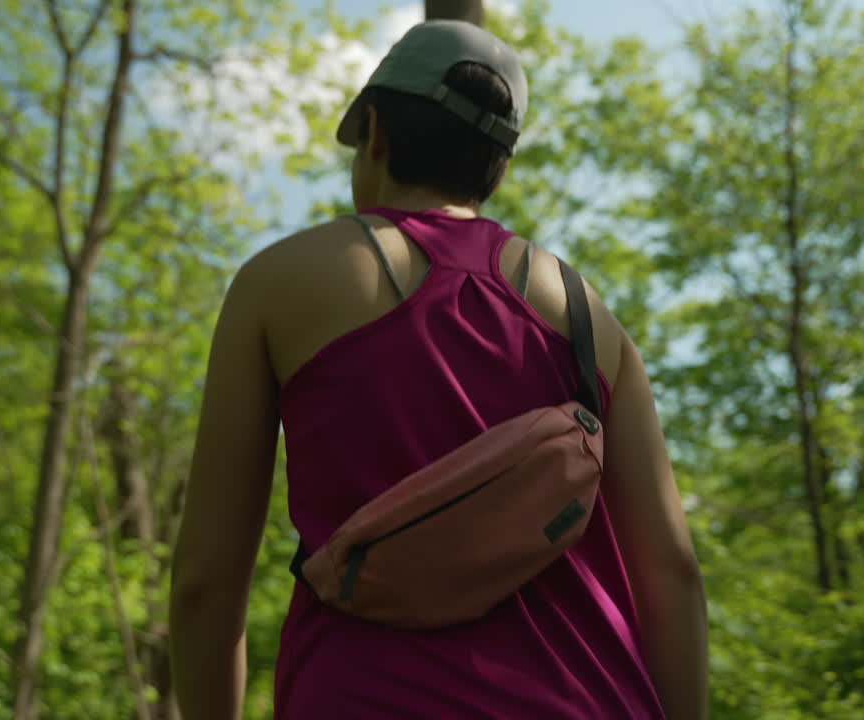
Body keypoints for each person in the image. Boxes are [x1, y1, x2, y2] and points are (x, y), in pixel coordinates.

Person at [169, 18, 708, 720]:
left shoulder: (280, 282)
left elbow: (206, 583)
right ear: (498, 165)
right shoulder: (587, 314)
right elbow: (672, 575)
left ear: (378, 134)